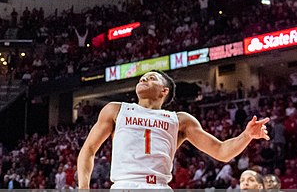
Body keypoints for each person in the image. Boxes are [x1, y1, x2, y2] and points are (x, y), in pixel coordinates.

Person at [77, 71, 270, 189]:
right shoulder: (116, 109)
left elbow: (221, 151)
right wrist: (83, 189)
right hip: (125, 185)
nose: (144, 79)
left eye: (151, 78)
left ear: (164, 91)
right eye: (142, 78)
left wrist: (246, 136)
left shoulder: (180, 120)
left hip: (159, 186)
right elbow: (88, 150)